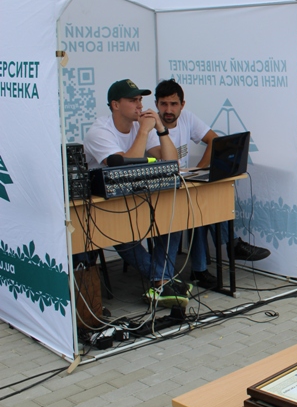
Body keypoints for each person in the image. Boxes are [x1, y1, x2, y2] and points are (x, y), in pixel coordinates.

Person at [154, 79, 270, 289]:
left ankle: (206, 265)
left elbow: (214, 141)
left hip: (183, 186)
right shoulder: (152, 127)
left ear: (182, 104)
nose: (168, 110)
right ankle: (226, 249)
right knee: (200, 207)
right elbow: (165, 161)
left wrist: (197, 170)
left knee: (204, 204)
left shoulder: (187, 118)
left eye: (173, 104)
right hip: (161, 191)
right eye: (163, 104)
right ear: (156, 104)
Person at [83, 79, 188, 308]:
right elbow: (124, 167)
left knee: (173, 217)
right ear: (115, 105)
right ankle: (163, 279)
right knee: (121, 233)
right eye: (133, 100)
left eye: (140, 100)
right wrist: (144, 130)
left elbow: (172, 163)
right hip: (103, 204)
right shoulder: (99, 131)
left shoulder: (142, 126)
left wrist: (161, 129)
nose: (140, 105)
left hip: (135, 194)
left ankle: (161, 280)